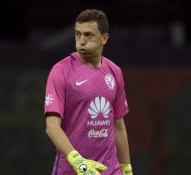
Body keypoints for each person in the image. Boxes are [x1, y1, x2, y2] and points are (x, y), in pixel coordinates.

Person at [44, 9, 133, 175]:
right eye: (78, 35)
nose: (81, 41)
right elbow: (51, 127)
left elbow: (118, 126)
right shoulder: (61, 71)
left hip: (110, 170)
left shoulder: (115, 72)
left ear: (104, 38)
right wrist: (78, 162)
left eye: (88, 35)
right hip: (72, 170)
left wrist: (126, 169)